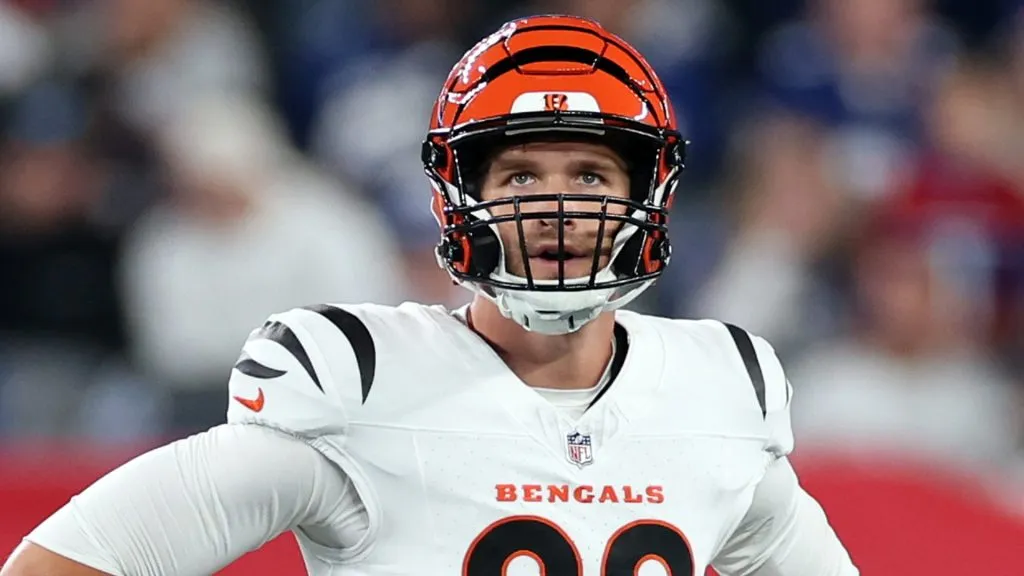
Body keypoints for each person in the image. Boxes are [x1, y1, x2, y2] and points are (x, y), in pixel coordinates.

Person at [1, 14, 858, 576]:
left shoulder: (715, 390)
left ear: (648, 198)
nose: (553, 206)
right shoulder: (361, 380)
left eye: (591, 173)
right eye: (520, 171)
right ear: (461, 196)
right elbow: (68, 563)